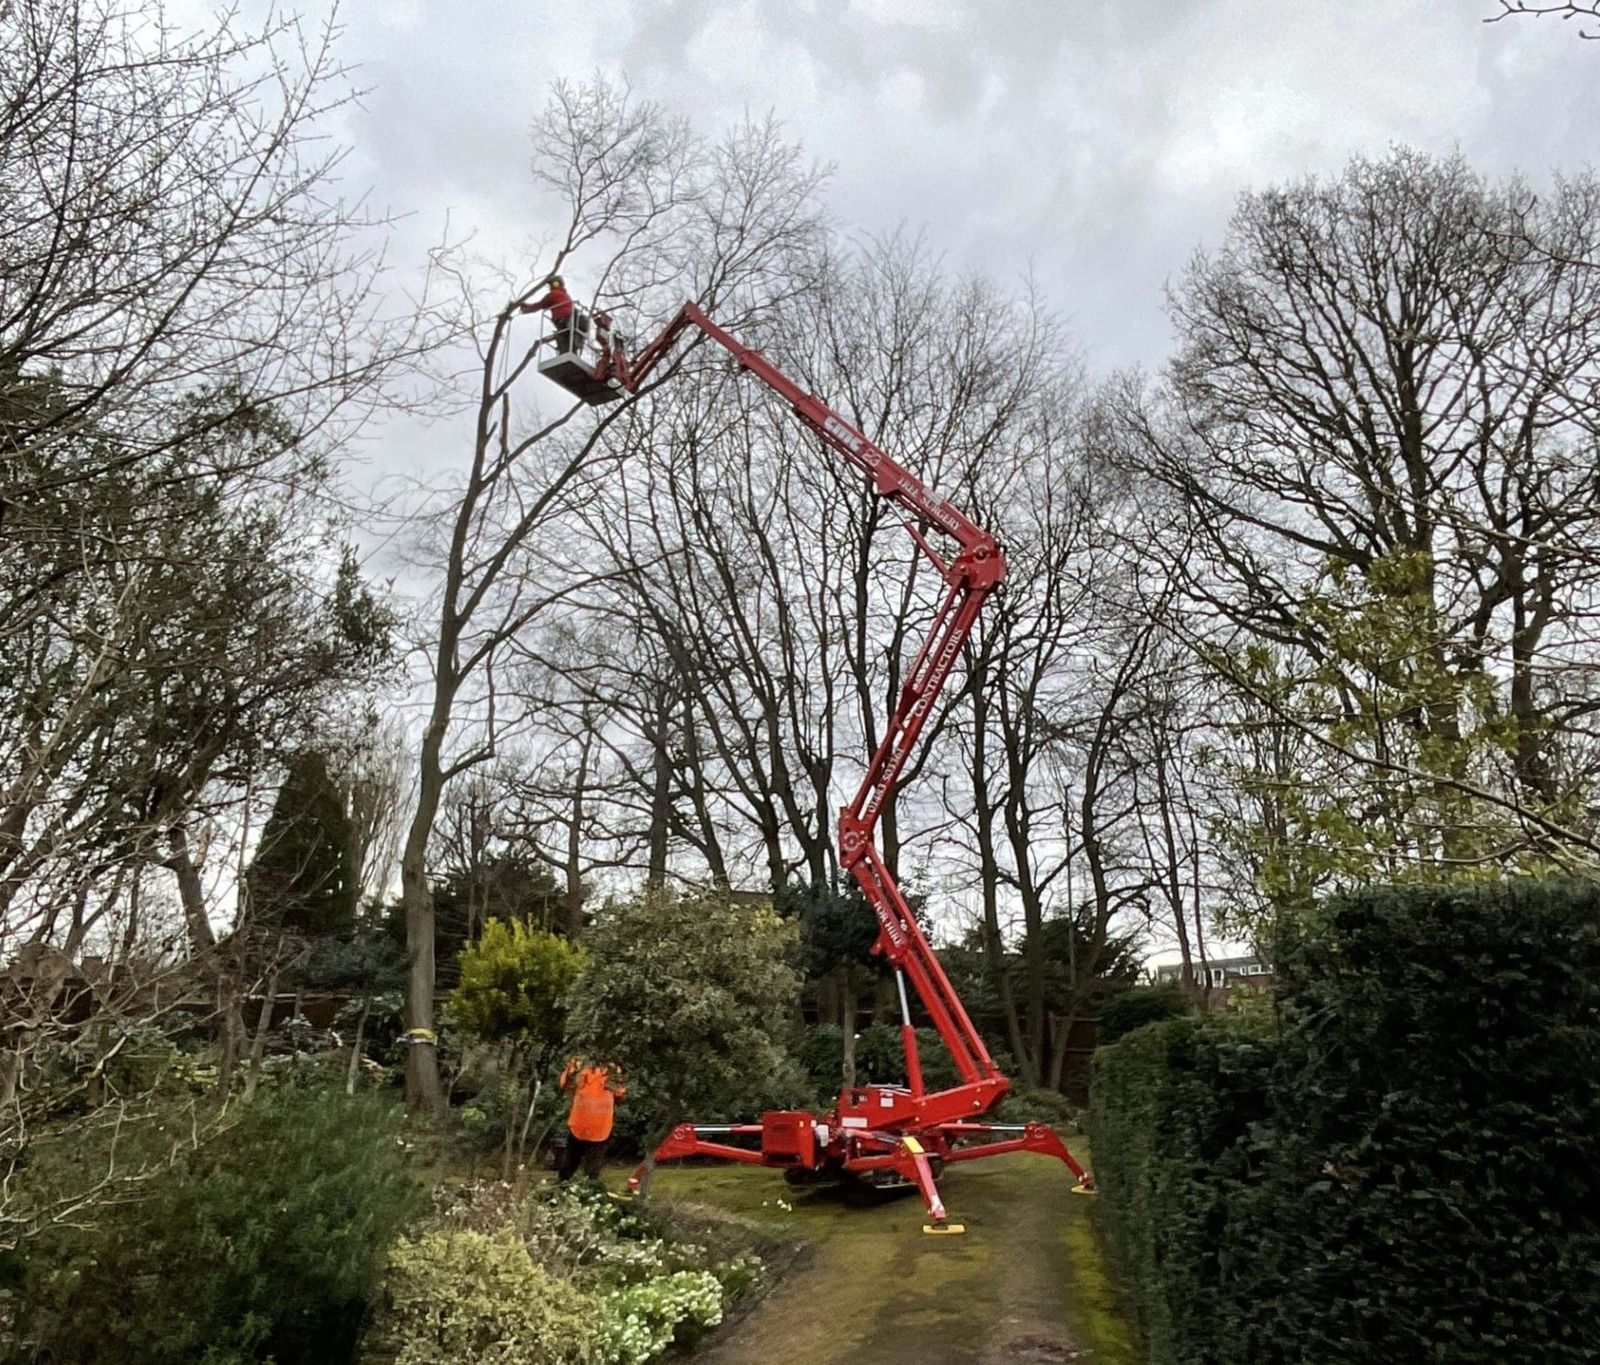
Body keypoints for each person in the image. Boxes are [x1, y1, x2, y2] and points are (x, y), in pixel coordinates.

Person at [557, 1055, 626, 1181]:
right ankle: (589, 1192)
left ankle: (563, 1187)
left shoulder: (578, 1063)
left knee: (571, 1163)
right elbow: (620, 1095)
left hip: (582, 1124)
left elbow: (564, 1085)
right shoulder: (612, 1069)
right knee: (591, 1168)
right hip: (599, 1126)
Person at [518, 274, 577, 352]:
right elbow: (543, 305)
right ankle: (569, 352)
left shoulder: (553, 294)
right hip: (569, 320)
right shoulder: (566, 295)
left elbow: (539, 305)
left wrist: (525, 310)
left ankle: (564, 352)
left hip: (562, 319)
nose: (550, 287)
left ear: (556, 284)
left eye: (551, 284)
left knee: (563, 338)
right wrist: (526, 306)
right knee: (567, 340)